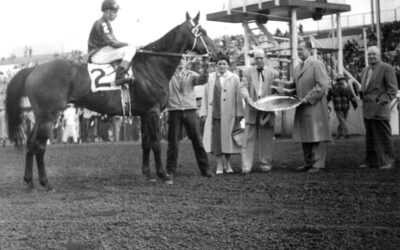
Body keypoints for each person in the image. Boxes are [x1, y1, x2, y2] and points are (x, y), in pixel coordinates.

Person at [166, 58, 213, 180]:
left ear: (186, 61)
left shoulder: (191, 74)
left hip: (190, 109)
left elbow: (202, 80)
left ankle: (205, 169)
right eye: (178, 58)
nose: (180, 61)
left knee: (197, 140)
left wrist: (206, 69)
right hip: (174, 110)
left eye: (183, 59)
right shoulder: (168, 74)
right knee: (173, 143)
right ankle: (170, 171)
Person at [200, 54, 244, 175]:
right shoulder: (210, 78)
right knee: (217, 141)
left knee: (228, 140)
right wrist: (203, 112)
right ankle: (219, 164)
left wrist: (240, 112)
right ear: (216, 65)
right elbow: (205, 96)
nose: (222, 66)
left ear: (228, 65)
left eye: (224, 64)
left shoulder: (234, 78)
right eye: (219, 64)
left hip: (230, 114)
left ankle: (228, 163)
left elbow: (238, 96)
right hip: (215, 113)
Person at [292, 41, 332, 173]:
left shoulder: (317, 64)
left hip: (315, 105)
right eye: (297, 49)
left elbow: (322, 85)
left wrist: (308, 98)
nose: (298, 52)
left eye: (301, 49)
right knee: (306, 135)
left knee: (317, 136)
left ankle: (318, 164)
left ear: (309, 49)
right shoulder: (297, 67)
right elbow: (295, 87)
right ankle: (308, 162)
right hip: (302, 106)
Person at [239, 49, 279, 174]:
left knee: (266, 137)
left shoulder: (274, 73)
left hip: (267, 110)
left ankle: (265, 164)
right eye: (256, 58)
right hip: (252, 108)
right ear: (253, 60)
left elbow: (278, 91)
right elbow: (243, 87)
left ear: (265, 58)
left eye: (261, 58)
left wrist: (271, 104)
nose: (259, 60)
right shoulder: (246, 72)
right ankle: (246, 166)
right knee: (248, 138)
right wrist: (248, 100)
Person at [359, 46, 398, 170]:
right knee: (370, 137)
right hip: (367, 108)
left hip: (380, 108)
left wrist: (380, 101)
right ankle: (372, 161)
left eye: (374, 54)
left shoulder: (387, 68)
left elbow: (392, 90)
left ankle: (388, 161)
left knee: (383, 136)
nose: (371, 56)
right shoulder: (365, 70)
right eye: (369, 54)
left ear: (379, 55)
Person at [88, 0, 136, 85]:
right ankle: (120, 77)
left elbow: (114, 42)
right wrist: (128, 45)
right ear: (107, 11)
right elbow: (112, 42)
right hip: (97, 55)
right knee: (131, 49)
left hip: (100, 52)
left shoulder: (106, 23)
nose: (116, 14)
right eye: (115, 11)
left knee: (128, 49)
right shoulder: (102, 23)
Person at [327, 75, 358, 139]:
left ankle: (341, 134)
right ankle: (345, 134)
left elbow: (328, 97)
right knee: (343, 120)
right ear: (342, 80)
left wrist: (325, 104)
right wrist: (355, 104)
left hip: (337, 106)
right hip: (345, 106)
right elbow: (351, 97)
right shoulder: (347, 87)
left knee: (342, 120)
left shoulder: (333, 87)